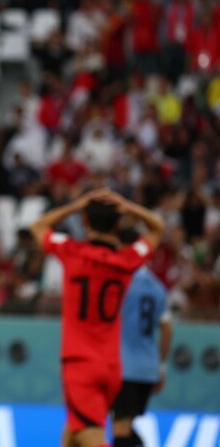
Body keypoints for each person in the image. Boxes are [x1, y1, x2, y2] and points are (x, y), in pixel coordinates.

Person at [29, 189, 165, 447]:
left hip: (80, 367)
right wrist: (128, 206)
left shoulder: (70, 251)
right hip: (112, 367)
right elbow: (158, 228)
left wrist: (75, 204)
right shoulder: (127, 260)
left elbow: (39, 225)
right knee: (72, 435)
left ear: (84, 221)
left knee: (91, 437)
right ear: (118, 223)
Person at [112, 229, 173, 447]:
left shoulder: (119, 281)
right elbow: (167, 328)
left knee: (120, 428)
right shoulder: (157, 287)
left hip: (123, 367)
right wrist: (161, 366)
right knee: (125, 425)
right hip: (147, 368)